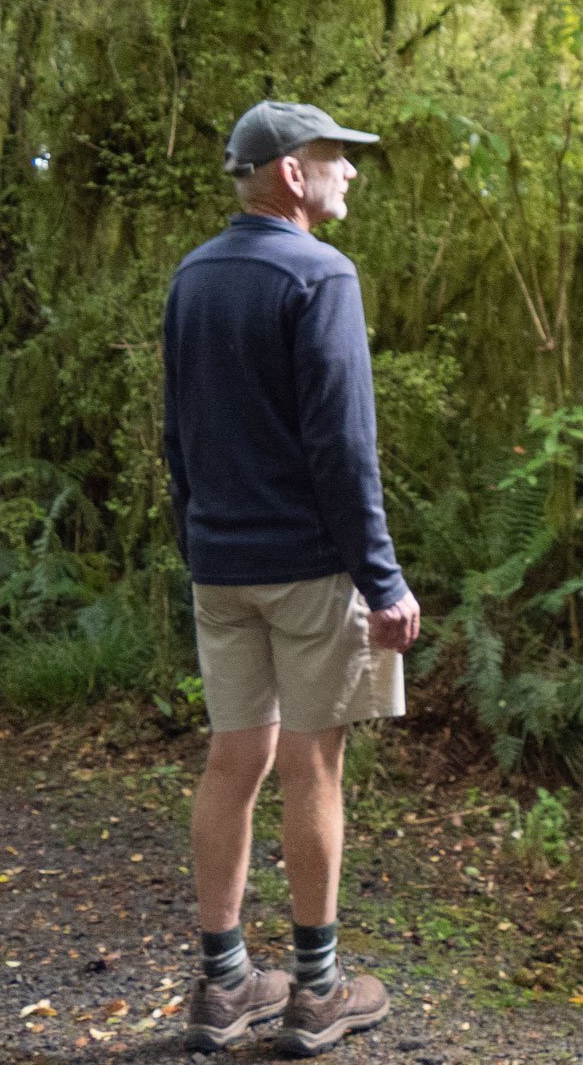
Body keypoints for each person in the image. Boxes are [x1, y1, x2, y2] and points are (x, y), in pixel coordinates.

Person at [161, 99, 422, 1057]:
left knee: (235, 758)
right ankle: (317, 989)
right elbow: (344, 447)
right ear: (288, 173)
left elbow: (176, 439)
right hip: (311, 572)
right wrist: (384, 581)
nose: (349, 170)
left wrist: (202, 542)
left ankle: (224, 985)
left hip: (220, 566)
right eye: (334, 157)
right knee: (312, 760)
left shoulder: (191, 277)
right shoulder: (322, 275)